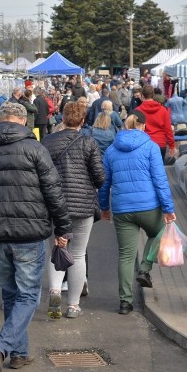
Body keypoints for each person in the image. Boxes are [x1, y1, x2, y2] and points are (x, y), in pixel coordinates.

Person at [0, 102, 71, 372]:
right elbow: (53, 191)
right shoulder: (35, 149)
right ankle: (1, 347)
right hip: (29, 232)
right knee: (28, 295)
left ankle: (20, 353)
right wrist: (62, 229)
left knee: (12, 293)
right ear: (23, 121)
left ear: (0, 120)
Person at [98, 111, 176, 315]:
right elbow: (160, 180)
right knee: (162, 231)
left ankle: (125, 302)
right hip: (149, 206)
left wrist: (104, 207)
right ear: (143, 125)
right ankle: (145, 268)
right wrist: (168, 209)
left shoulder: (111, 150)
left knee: (125, 255)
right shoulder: (150, 147)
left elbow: (104, 183)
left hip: (122, 209)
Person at [42, 102, 105, 319]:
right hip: (82, 206)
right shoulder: (88, 142)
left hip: (56, 205)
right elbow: (99, 177)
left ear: (62, 117)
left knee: (57, 250)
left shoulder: (47, 142)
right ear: (82, 120)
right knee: (77, 255)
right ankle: (73, 305)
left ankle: (55, 292)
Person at [136, 85, 175, 159]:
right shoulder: (163, 110)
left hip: (144, 144)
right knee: (159, 168)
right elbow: (168, 130)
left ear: (142, 95)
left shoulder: (138, 110)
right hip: (159, 144)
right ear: (153, 95)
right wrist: (171, 146)